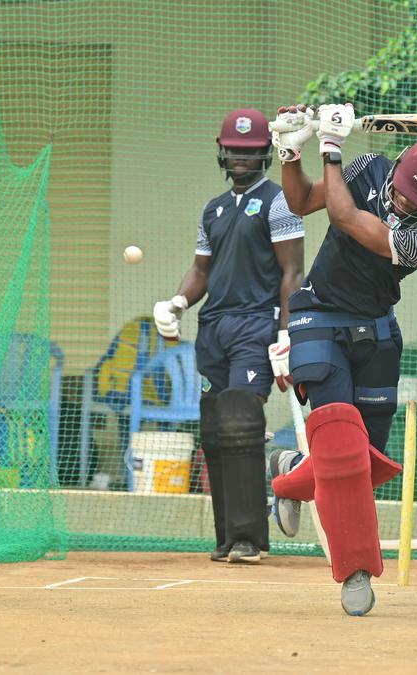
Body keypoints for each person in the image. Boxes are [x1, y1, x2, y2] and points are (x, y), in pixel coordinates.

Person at [266, 103, 417, 615]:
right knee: (340, 449)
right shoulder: (369, 168)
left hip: (375, 331)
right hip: (317, 317)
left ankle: (289, 473)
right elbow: (305, 200)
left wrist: (331, 148)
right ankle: (354, 571)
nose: (402, 199)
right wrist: (292, 151)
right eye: (401, 187)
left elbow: (346, 218)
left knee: (365, 463)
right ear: (395, 167)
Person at [152, 109, 304, 564]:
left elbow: (292, 272)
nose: (241, 158)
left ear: (264, 154)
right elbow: (201, 271)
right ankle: (226, 537)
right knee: (217, 430)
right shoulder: (213, 209)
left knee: (241, 418)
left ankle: (248, 538)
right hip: (213, 328)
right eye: (235, 151)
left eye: (251, 150)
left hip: (256, 324)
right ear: (223, 152)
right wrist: (177, 303)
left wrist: (286, 332)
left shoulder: (279, 202)